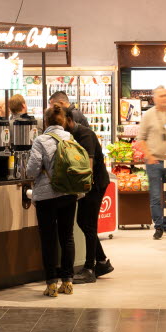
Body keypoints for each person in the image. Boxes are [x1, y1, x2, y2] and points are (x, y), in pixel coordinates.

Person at [51, 95, 113, 284]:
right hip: (85, 185)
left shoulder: (84, 134)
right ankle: (101, 261)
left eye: (63, 122)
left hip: (94, 184)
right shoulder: (69, 135)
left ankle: (89, 268)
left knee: (88, 223)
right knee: (84, 223)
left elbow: (89, 164)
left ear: (70, 120)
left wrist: (84, 188)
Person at [21, 105, 80, 297]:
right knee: (67, 237)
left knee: (48, 239)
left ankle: (51, 284)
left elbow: (32, 170)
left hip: (47, 197)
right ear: (63, 121)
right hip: (69, 194)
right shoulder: (70, 138)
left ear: (45, 121)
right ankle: (68, 282)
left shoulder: (41, 140)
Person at [138, 86, 166, 239]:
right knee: (156, 196)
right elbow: (141, 139)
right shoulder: (148, 115)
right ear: (154, 98)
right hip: (154, 162)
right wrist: (149, 156)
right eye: (161, 95)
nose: (164, 98)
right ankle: (158, 227)